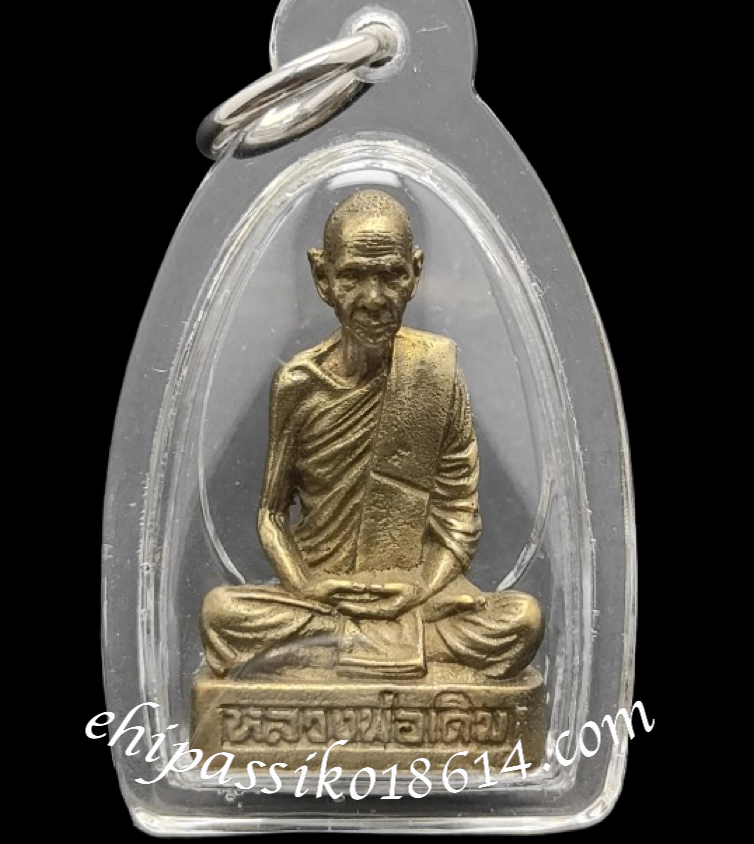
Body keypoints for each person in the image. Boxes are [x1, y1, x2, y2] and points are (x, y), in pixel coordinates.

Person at [201, 190, 543, 680]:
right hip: (323, 597)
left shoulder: (435, 372)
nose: (374, 299)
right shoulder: (299, 384)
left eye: (391, 275)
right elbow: (272, 514)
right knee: (221, 613)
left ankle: (335, 652)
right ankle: (384, 648)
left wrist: (420, 587)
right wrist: (305, 586)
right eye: (353, 277)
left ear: (415, 272)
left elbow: (458, 517)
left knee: (521, 620)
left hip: (416, 596)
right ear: (322, 277)